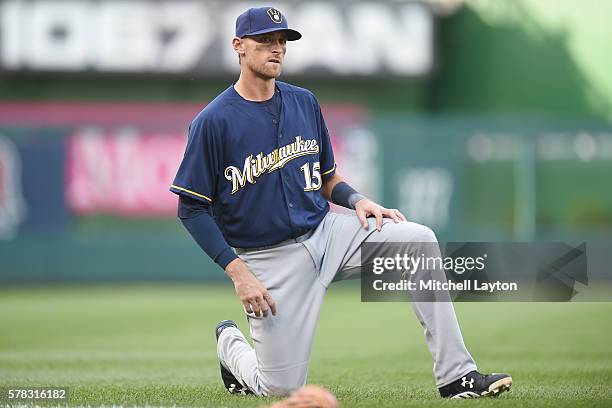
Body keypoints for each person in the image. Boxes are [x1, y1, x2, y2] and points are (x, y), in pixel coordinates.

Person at [170, 6, 512, 400]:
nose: (276, 48)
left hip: (328, 232)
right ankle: (231, 344)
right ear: (239, 47)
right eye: (265, 40)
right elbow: (190, 207)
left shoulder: (304, 103)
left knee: (418, 240)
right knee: (279, 387)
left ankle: (458, 376)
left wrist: (358, 200)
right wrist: (238, 272)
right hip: (268, 259)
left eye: (282, 41)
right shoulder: (213, 121)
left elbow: (328, 177)